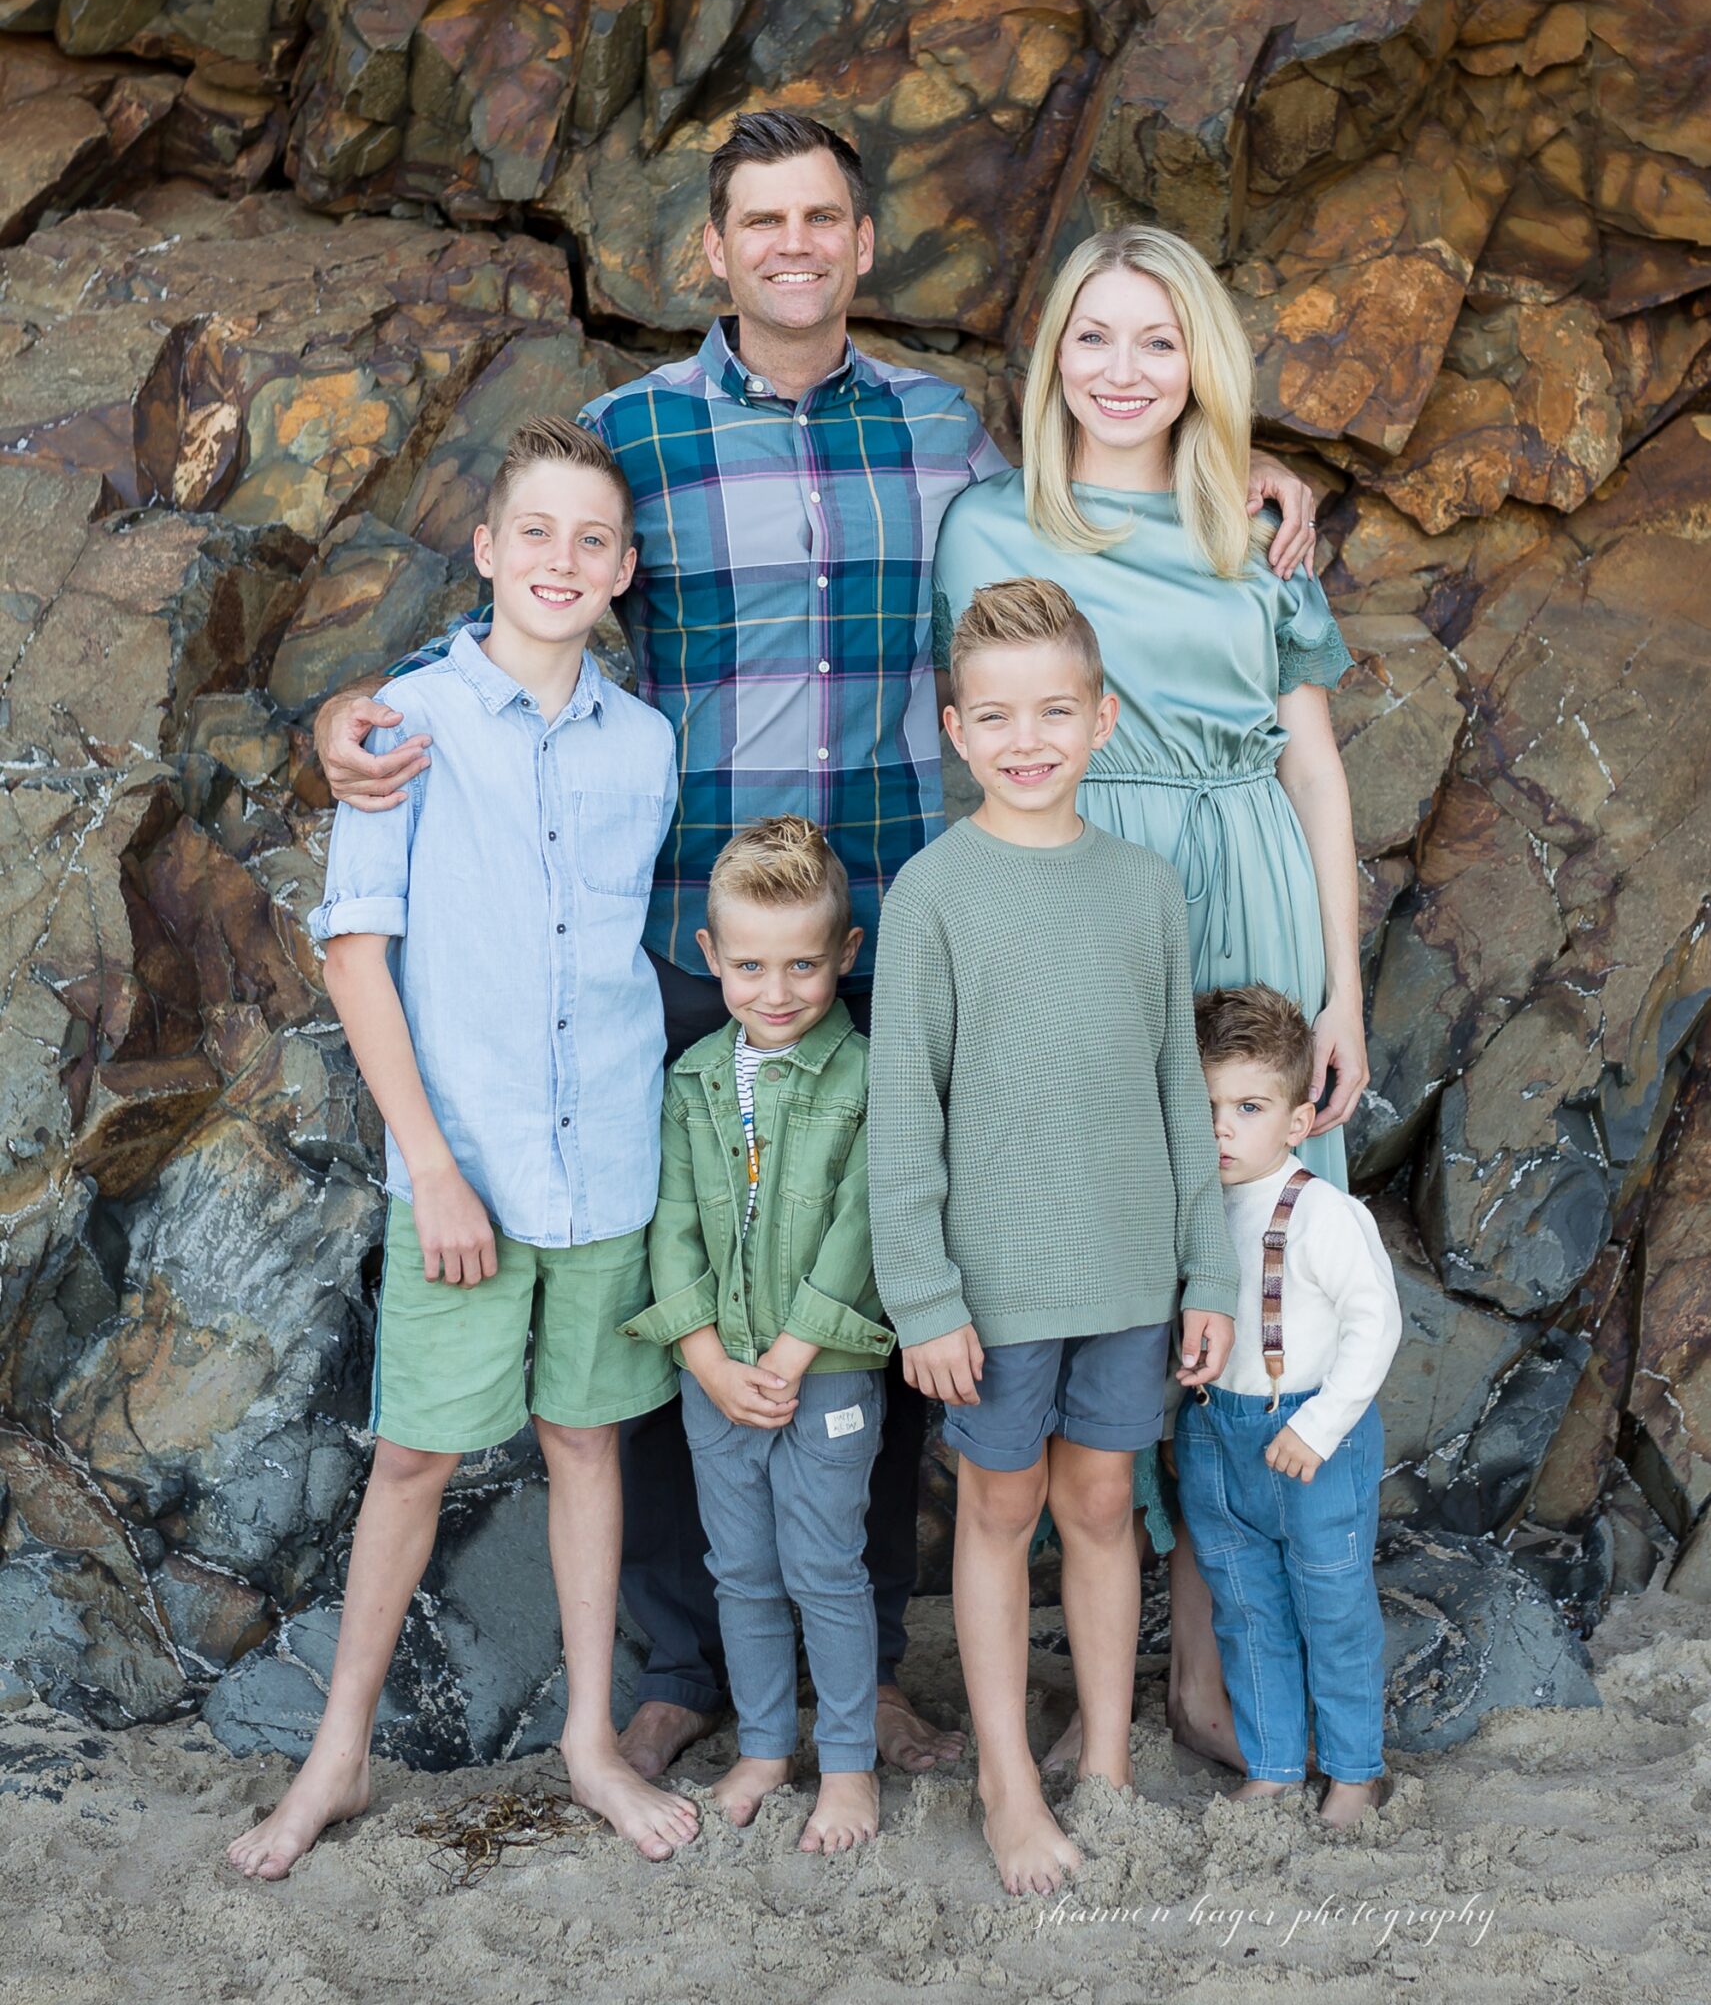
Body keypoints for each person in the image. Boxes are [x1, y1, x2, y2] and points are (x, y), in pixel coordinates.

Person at [311, 115, 1315, 1783]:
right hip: (700, 932)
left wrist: (1253, 472)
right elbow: (535, 595)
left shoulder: (943, 434)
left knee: (900, 1278)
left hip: (912, 919)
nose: (791, 243)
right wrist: (361, 718)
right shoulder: (636, 434)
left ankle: (864, 1669)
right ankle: (683, 1661)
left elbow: (1084, 541)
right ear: (713, 249)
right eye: (758, 220)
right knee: (675, 1291)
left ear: (864, 245)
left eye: (822, 218)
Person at [228, 415, 699, 1880]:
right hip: (469, 1171)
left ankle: (586, 1743)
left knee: (583, 1443)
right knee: (417, 1459)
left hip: (608, 1163)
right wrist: (430, 1164)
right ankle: (339, 1754)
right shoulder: (406, 727)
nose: (561, 560)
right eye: (534, 533)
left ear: (621, 570)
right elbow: (359, 957)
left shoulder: (647, 745)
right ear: (487, 553)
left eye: (591, 539)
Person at [930, 223, 1366, 1773]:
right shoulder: (986, 529)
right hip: (1089, 902)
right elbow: (978, 751)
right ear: (1051, 356)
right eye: (1094, 338)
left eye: (1157, 342)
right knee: (1109, 1265)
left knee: (1246, 1279)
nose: (1123, 372)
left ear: (1202, 365)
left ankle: (1209, 1665)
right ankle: (1090, 1687)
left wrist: (1344, 996)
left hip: (1246, 896)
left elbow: (1312, 770)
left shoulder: (1256, 535)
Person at [868, 579, 1238, 1897]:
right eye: (995, 716)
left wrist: (1206, 1267)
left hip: (1128, 1272)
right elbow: (902, 1115)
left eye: (1052, 712)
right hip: (997, 1284)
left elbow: (1174, 1099)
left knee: (1097, 1506)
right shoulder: (930, 894)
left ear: (1099, 718)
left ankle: (1106, 1765)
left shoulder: (1142, 888)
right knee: (996, 1509)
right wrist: (920, 1297)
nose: (1025, 739)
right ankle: (1005, 1779)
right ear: (955, 730)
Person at [620, 816, 894, 1854]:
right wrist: (703, 1355)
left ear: (844, 956)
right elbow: (673, 1224)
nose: (774, 991)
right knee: (740, 1568)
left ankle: (851, 1765)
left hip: (823, 1378)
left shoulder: (866, 1078)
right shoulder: (690, 1080)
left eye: (801, 966)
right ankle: (768, 1745)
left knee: (826, 1566)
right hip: (715, 1377)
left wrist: (789, 1355)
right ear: (708, 959)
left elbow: (862, 1226)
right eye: (748, 966)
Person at [1175, 984, 1401, 1827]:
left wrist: (1317, 1423)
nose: (1221, 1128)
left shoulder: (1324, 1215)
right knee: (1245, 1608)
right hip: (1216, 1442)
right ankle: (1270, 1761)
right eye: (1204, 1106)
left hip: (1309, 1439)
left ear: (1297, 1120)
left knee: (1333, 1608)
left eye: (1248, 1106)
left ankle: (1352, 1771)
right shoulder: (1193, 1211)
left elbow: (1374, 1325)